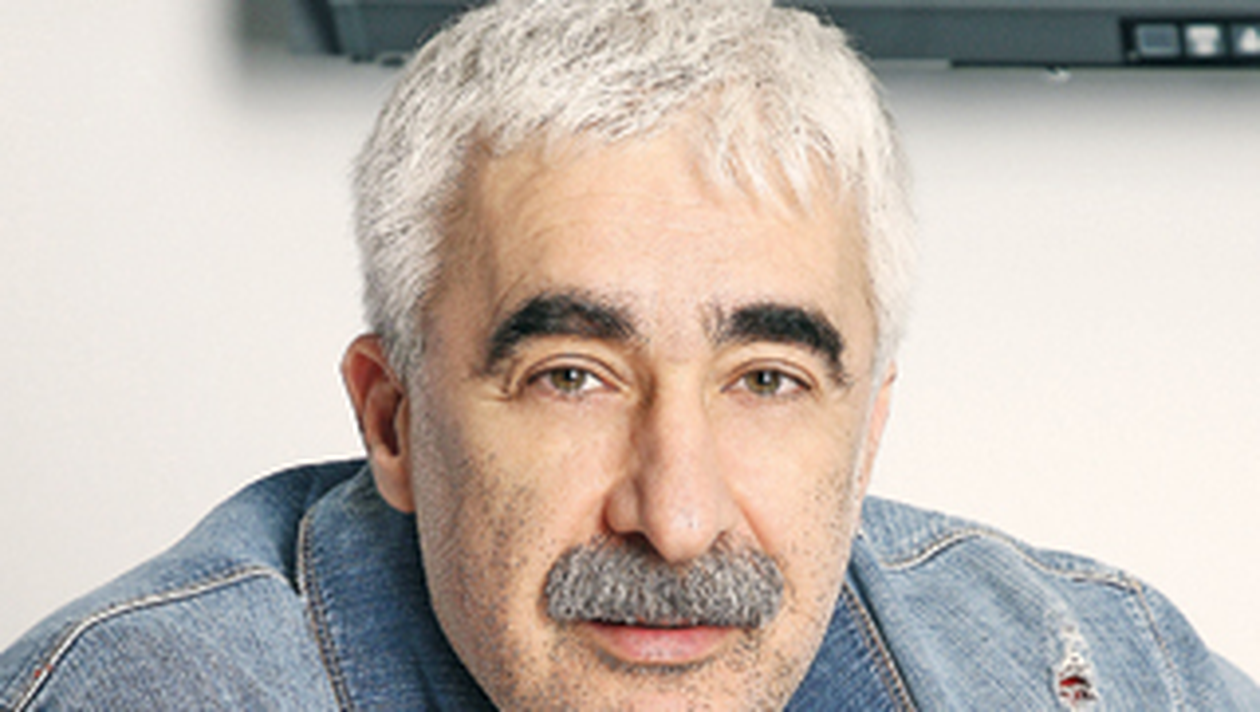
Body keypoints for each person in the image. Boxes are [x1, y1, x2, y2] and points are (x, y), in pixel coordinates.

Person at [1, 0, 1256, 709]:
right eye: (572, 376)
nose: (678, 519)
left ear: (868, 428)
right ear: (393, 420)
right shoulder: (145, 693)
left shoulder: (1094, 664)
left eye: (767, 380)